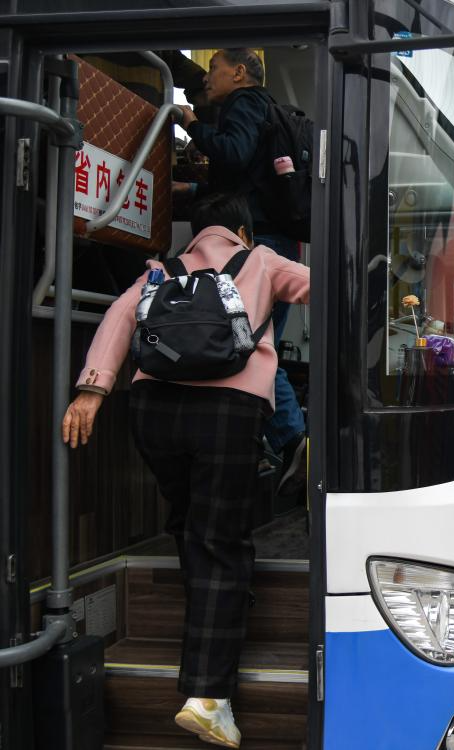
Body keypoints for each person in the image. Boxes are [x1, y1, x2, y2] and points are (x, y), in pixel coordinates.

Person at [62, 193, 310, 749]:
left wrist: (92, 390)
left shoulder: (163, 269)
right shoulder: (261, 260)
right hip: (228, 411)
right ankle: (208, 697)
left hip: (153, 412)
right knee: (220, 543)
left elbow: (119, 316)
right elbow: (324, 288)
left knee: (191, 521)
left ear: (195, 231)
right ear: (243, 232)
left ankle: (215, 603)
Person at [175, 48, 308, 499]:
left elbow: (232, 155)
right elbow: (245, 181)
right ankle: (284, 444)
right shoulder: (264, 111)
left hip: (258, 243)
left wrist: (191, 123)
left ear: (238, 72)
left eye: (213, 68)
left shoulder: (246, 102)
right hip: (274, 241)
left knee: (248, 348)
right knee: (253, 345)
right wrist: (194, 188)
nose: (207, 77)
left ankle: (294, 441)